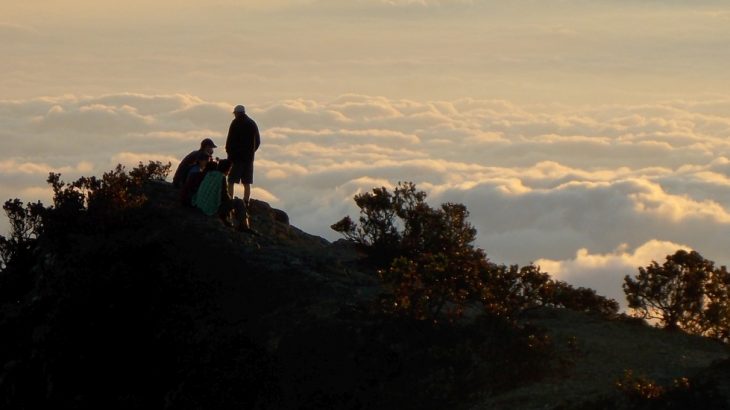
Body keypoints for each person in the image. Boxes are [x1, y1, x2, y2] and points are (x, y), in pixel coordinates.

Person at [192, 159, 250, 231]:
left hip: (199, 203)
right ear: (228, 169)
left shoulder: (209, 174)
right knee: (239, 202)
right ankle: (244, 227)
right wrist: (232, 202)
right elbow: (224, 196)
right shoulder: (221, 177)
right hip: (210, 208)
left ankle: (225, 220)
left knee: (225, 202)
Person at [225, 105, 260, 203]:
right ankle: (246, 201)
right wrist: (251, 152)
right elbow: (257, 141)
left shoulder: (235, 123)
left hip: (236, 158)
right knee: (247, 182)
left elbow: (230, 140)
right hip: (248, 158)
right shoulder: (252, 123)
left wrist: (229, 152)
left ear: (236, 113)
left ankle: (229, 199)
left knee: (231, 180)